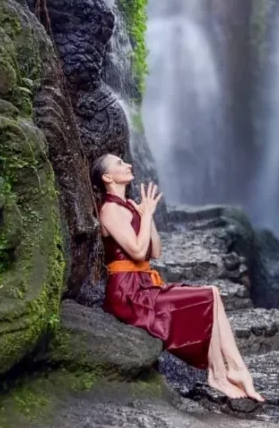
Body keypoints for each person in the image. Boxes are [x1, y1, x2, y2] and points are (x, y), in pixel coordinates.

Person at [91, 154, 264, 402]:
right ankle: (220, 374)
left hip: (144, 285)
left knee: (212, 294)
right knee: (207, 296)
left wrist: (145, 216)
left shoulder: (128, 205)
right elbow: (138, 252)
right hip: (128, 294)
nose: (127, 164)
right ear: (107, 177)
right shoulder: (110, 210)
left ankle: (233, 369)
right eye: (119, 163)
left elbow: (155, 251)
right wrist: (148, 214)